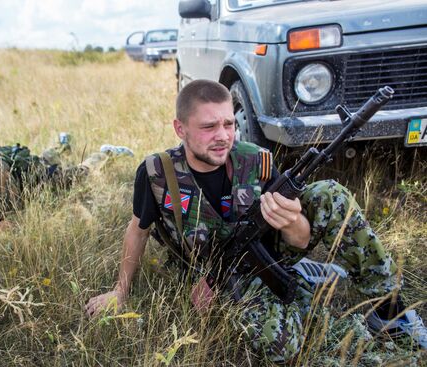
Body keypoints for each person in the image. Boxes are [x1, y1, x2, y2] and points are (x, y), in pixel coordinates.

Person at [85, 80, 426, 362]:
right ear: (180, 128)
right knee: (283, 348)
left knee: (330, 194)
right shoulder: (157, 173)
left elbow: (300, 241)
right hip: (211, 269)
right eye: (208, 127)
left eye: (229, 124)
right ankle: (308, 290)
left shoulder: (257, 161)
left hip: (265, 252)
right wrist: (121, 290)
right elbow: (138, 229)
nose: (223, 136)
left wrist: (293, 221)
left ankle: (388, 309)